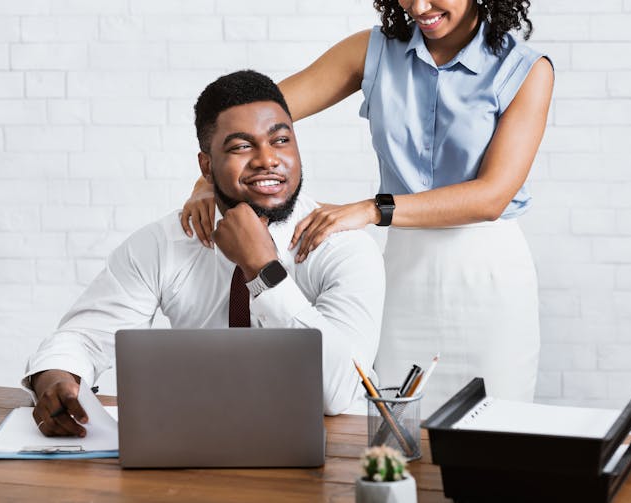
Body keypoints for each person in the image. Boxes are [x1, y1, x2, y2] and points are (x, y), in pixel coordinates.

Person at [180, 0, 554, 415]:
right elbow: (248, 118)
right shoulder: (372, 51)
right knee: (392, 428)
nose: (419, 7)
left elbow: (491, 197)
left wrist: (373, 209)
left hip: (490, 277)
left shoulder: (525, 69)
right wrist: (206, 181)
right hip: (403, 273)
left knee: (495, 430)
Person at [24, 70, 385, 437]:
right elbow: (85, 336)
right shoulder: (164, 243)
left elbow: (338, 393)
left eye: (280, 140)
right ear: (206, 166)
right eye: (241, 146)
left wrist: (262, 270)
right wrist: (56, 377)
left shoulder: (346, 248)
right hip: (200, 445)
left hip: (331, 453)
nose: (267, 160)